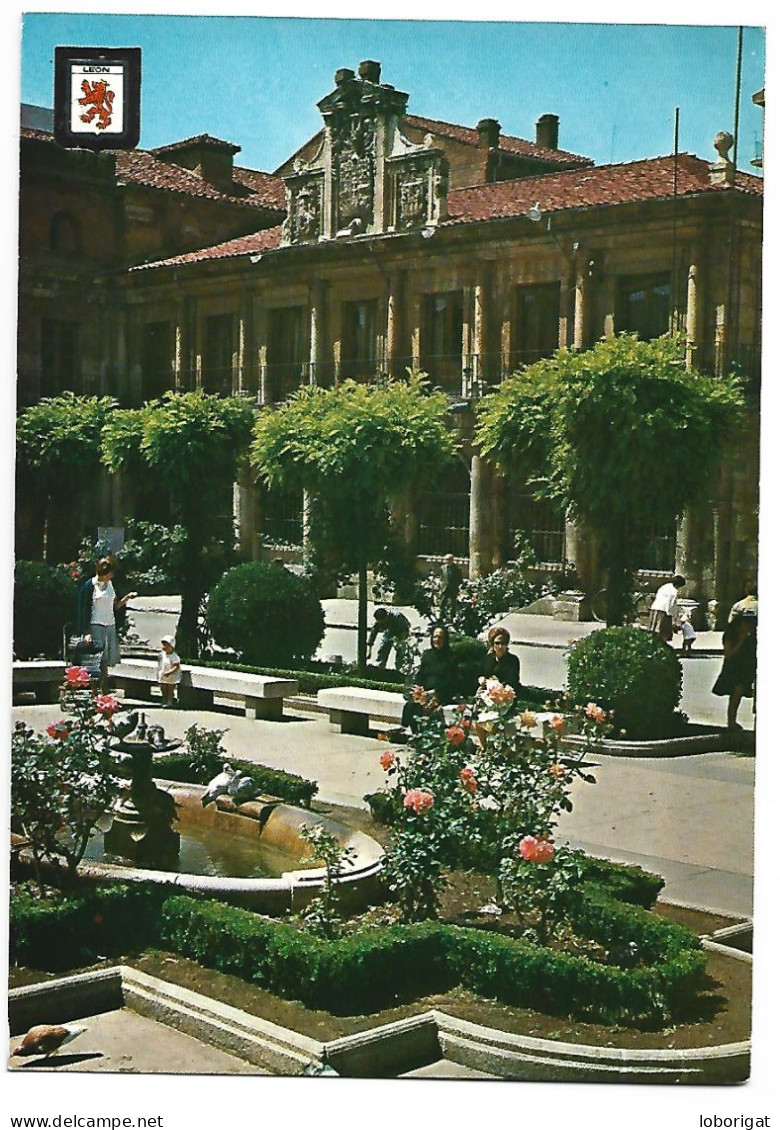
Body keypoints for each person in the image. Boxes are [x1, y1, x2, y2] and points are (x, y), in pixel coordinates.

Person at [76, 557, 137, 692]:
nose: (112, 575)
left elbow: (115, 605)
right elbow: (83, 609)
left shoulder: (110, 584)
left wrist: (126, 598)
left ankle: (104, 687)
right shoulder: (90, 586)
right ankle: (98, 689)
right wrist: (87, 632)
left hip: (110, 623)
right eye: (110, 573)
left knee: (107, 659)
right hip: (95, 624)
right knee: (98, 659)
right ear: (104, 572)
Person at [402, 624, 459, 731]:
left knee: (427, 707)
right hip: (425, 691)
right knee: (411, 705)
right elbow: (420, 675)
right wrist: (419, 689)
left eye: (440, 637)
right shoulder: (427, 654)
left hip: (441, 692)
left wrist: (432, 692)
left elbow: (451, 680)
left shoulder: (451, 656)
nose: (437, 640)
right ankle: (413, 734)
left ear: (445, 639)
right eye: (435, 637)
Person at [712, 611, 757, 731]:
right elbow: (728, 654)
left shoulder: (751, 636)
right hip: (732, 669)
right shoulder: (731, 634)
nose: (750, 627)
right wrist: (741, 640)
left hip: (744, 669)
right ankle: (731, 722)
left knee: (738, 696)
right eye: (747, 624)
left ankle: (732, 722)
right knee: (735, 695)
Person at [483, 626, 521, 696]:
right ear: (492, 644)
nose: (500, 646)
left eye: (503, 643)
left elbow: (513, 682)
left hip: (506, 694)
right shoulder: (487, 658)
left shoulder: (513, 660)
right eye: (497, 643)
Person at [648, 575, 686, 643]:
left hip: (655, 607)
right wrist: (672, 616)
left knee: (652, 628)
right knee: (662, 630)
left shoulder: (666, 586)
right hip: (663, 611)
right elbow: (670, 604)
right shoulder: (674, 592)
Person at [157, 634, 182, 708]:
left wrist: (170, 672)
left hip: (172, 675)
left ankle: (170, 701)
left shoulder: (174, 656)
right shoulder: (162, 654)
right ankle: (164, 699)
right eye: (163, 645)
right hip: (163, 674)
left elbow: (176, 666)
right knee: (163, 688)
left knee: (170, 689)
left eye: (167, 645)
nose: (165, 647)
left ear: (172, 647)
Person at [439, 554, 463, 621]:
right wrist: (441, 584)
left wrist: (457, 585)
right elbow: (442, 577)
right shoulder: (443, 568)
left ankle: (451, 617)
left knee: (453, 603)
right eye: (446, 560)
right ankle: (441, 616)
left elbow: (460, 579)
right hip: (445, 587)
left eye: (449, 560)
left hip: (453, 588)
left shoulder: (457, 569)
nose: (447, 561)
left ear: (452, 560)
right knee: (443, 602)